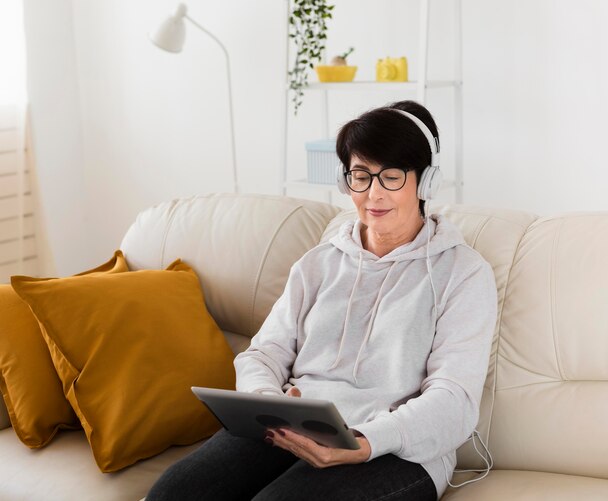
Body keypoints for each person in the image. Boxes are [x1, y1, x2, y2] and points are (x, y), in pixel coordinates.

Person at [146, 100, 497, 501]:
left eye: (392, 177)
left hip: (397, 450)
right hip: (293, 428)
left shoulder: (464, 273)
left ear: (426, 182)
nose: (374, 194)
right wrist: (267, 405)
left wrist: (365, 440)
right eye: (361, 176)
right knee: (172, 493)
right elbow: (261, 354)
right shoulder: (319, 263)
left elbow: (454, 401)